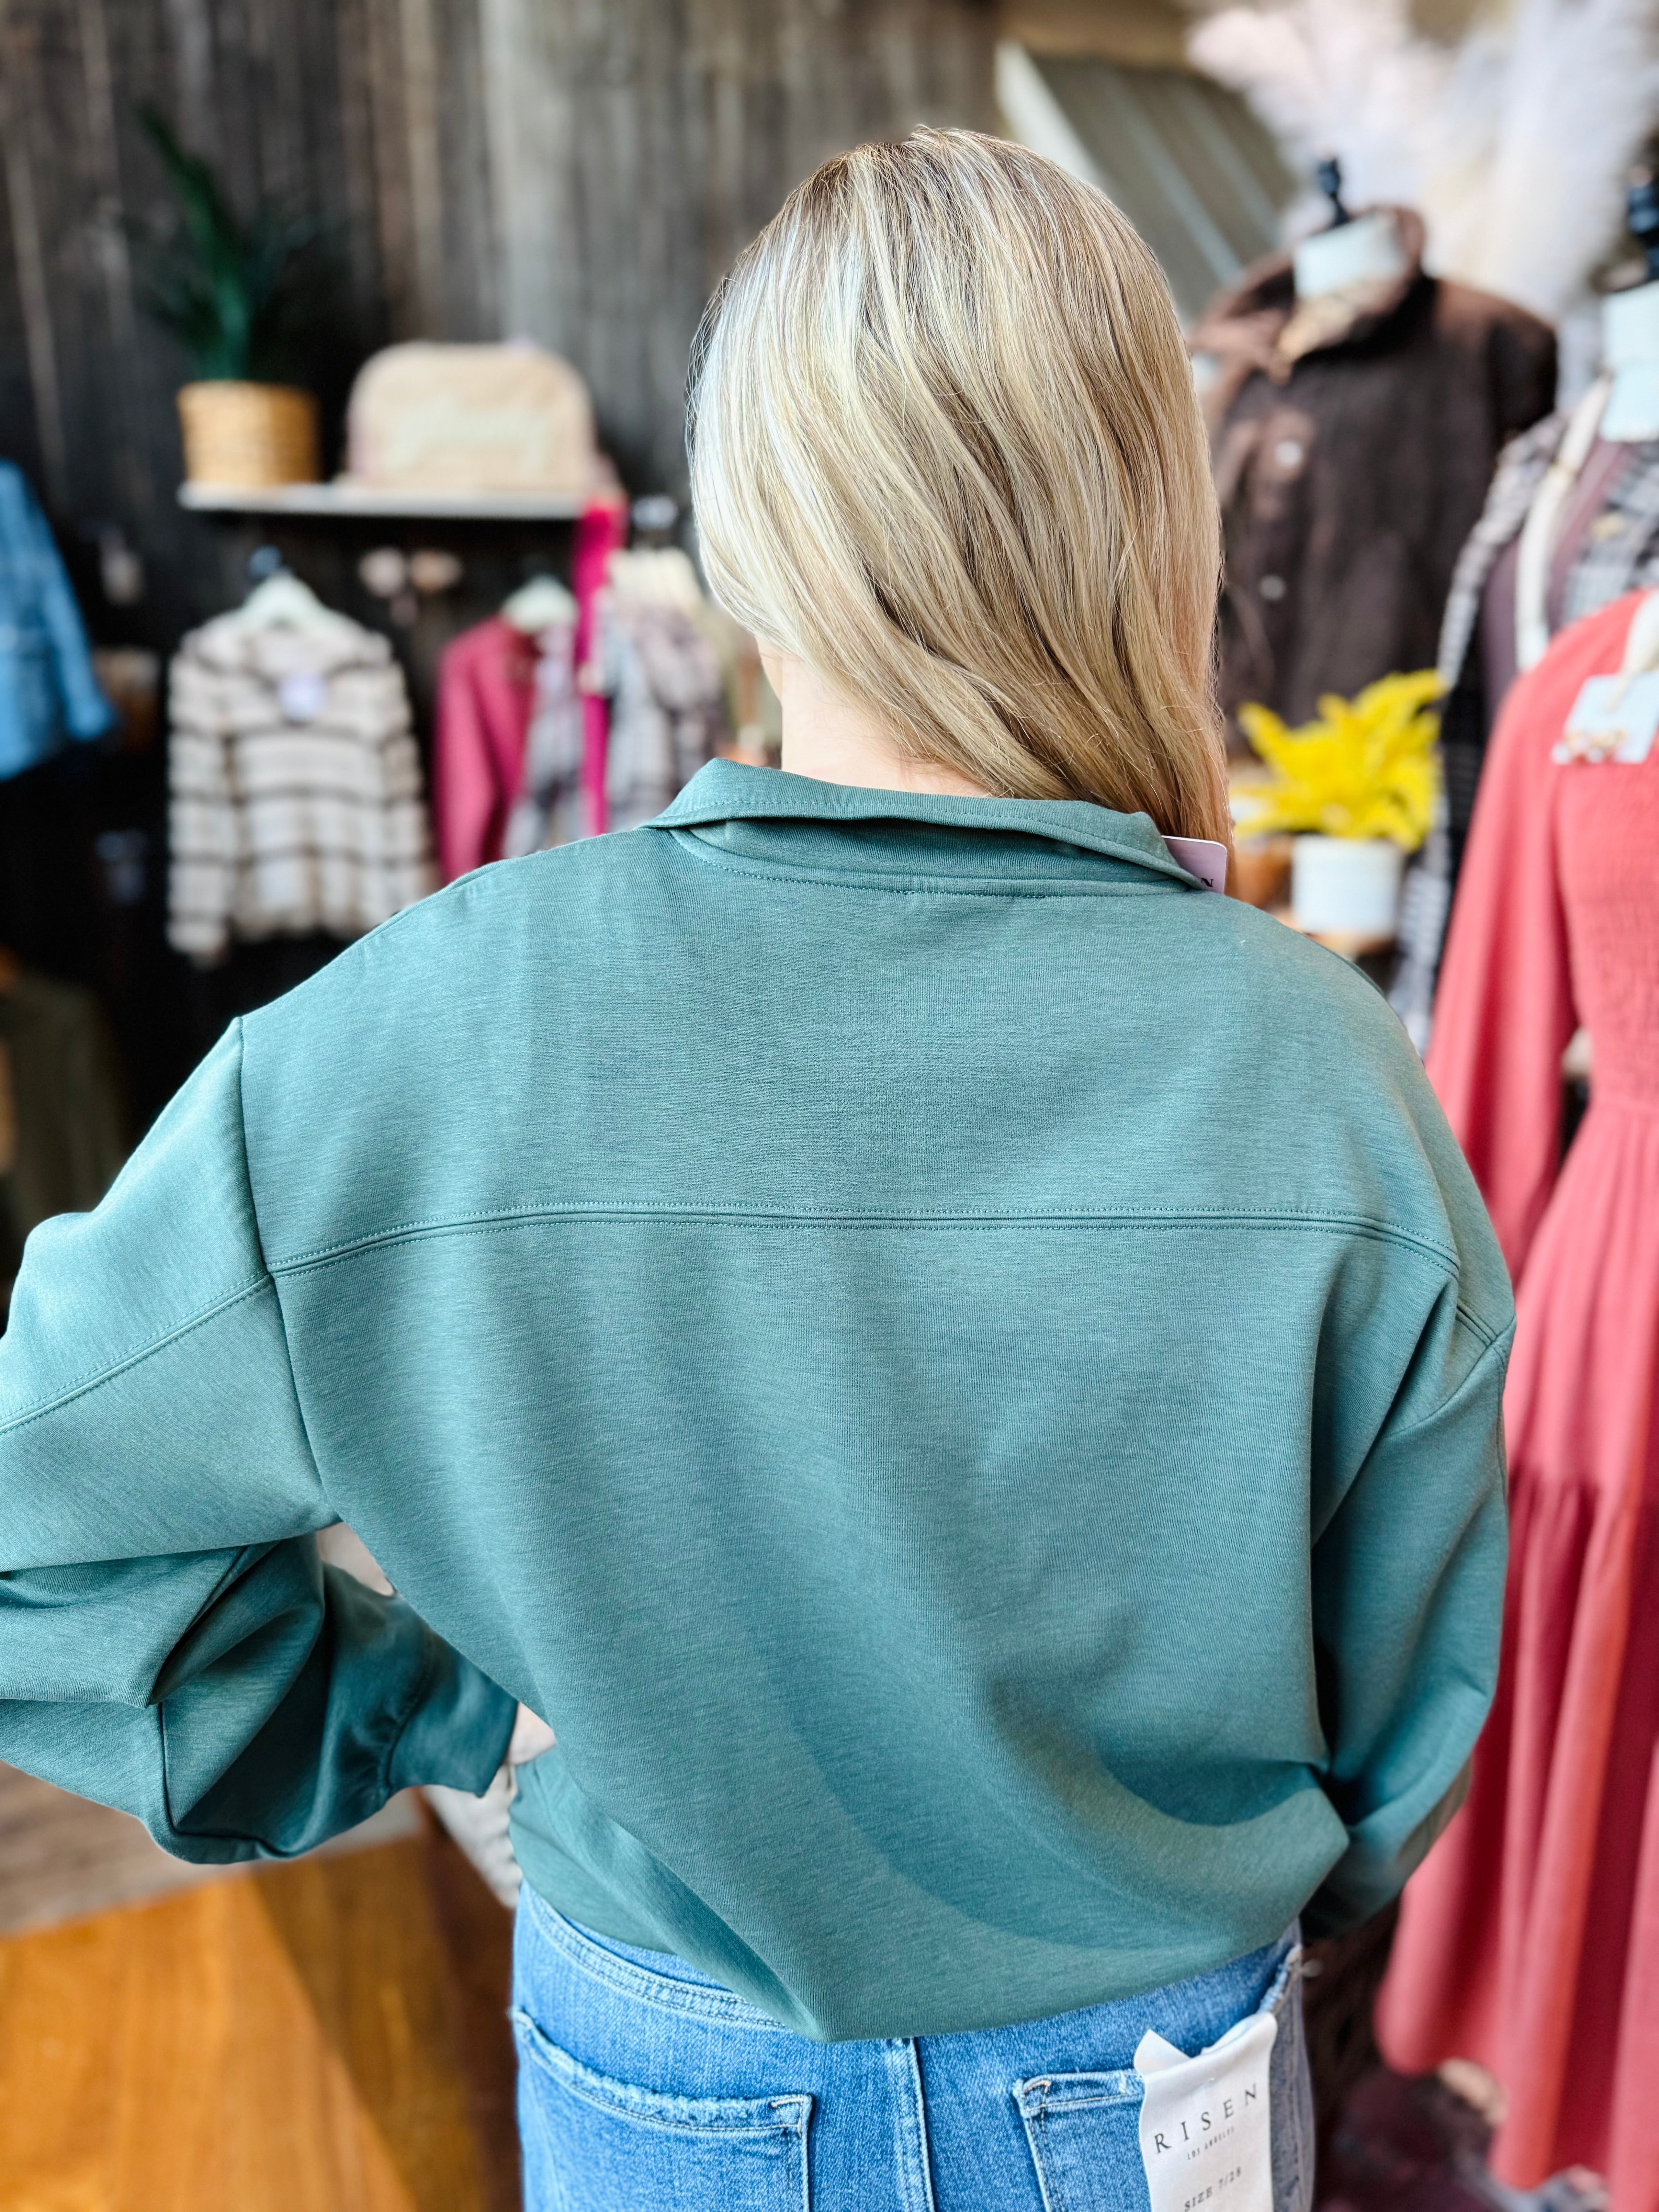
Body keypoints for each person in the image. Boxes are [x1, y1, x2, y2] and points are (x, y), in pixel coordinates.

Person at [0, 131, 1509, 2211]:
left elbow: (38, 1525)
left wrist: (438, 1717)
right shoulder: (1323, 1069)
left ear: (751, 527)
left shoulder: (425, 1027)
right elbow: (1407, 1725)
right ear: (1149, 524)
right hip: (1158, 2063)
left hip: (673, 2070)